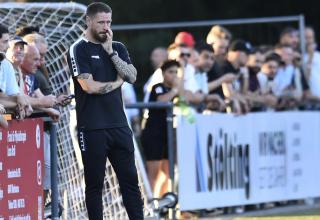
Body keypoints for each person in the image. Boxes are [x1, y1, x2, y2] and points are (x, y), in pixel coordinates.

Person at [66, 2, 143, 220]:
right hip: (92, 128)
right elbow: (88, 87)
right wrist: (117, 83)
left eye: (109, 22)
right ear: (88, 21)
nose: (106, 27)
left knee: (130, 183)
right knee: (95, 186)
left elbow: (132, 76)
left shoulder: (117, 47)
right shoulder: (78, 49)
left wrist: (111, 53)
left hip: (119, 125)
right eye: (101, 22)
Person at [141, 60, 181, 197]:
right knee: (154, 173)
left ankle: (162, 205)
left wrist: (179, 90)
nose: (174, 75)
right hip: (154, 134)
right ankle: (150, 205)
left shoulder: (176, 90)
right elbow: (160, 100)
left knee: (167, 173)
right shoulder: (158, 87)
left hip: (168, 134)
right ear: (163, 73)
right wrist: (176, 90)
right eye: (171, 72)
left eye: (176, 72)